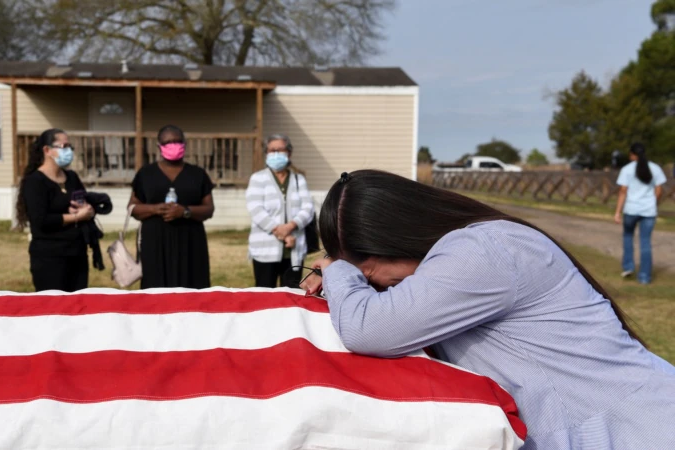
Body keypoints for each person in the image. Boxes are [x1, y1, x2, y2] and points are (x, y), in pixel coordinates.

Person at [300, 170, 675, 450]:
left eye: (368, 268)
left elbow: (369, 329)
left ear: (397, 236)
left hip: (639, 431)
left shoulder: (482, 250)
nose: (375, 283)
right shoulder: (471, 248)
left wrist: (340, 274)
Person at [128, 125, 214, 289]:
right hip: (155, 242)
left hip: (190, 242)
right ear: (159, 146)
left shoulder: (197, 174)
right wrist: (155, 209)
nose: (173, 145)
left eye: (177, 141)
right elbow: (132, 208)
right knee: (156, 291)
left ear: (185, 144)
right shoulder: (146, 174)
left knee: (192, 289)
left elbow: (209, 209)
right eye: (168, 142)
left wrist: (185, 212)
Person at [16, 128, 95, 292]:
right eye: (63, 146)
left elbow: (84, 202)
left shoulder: (72, 177)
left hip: (77, 254)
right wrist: (75, 217)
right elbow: (40, 220)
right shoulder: (35, 182)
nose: (68, 151)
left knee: (78, 307)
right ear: (47, 150)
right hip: (49, 256)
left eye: (69, 147)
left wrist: (88, 210)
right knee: (54, 309)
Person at [245, 134, 315, 288]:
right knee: (264, 296)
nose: (276, 154)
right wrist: (281, 232)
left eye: (280, 150)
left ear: (289, 153)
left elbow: (308, 208)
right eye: (272, 150)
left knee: (291, 297)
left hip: (294, 250)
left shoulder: (299, 179)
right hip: (264, 249)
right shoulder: (258, 178)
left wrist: (290, 226)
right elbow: (256, 209)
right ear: (266, 153)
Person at [613, 143, 667, 284]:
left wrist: (618, 212)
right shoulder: (655, 168)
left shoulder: (626, 169)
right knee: (645, 242)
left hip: (631, 209)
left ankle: (628, 266)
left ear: (632, 155)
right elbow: (659, 190)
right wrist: (653, 203)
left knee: (628, 237)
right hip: (648, 211)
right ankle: (644, 277)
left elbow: (623, 192)